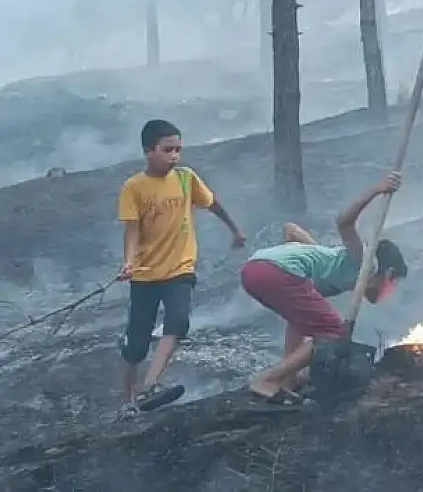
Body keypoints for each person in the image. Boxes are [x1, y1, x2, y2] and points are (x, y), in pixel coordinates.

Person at [240, 171, 408, 405]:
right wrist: (377, 190)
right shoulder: (364, 260)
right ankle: (268, 380)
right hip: (275, 272)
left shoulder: (327, 261)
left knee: (299, 323)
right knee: (334, 333)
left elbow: (291, 229)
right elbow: (343, 221)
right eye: (392, 284)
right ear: (388, 273)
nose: (389, 292)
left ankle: (287, 381)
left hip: (253, 271)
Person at [117, 119, 246, 413]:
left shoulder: (186, 178)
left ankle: (150, 387)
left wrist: (234, 230)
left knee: (178, 322)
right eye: (167, 150)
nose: (174, 156)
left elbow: (212, 203)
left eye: (178, 149)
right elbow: (132, 230)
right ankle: (128, 401)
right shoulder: (134, 188)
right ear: (149, 151)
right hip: (145, 273)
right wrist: (128, 262)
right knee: (136, 344)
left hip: (180, 269)